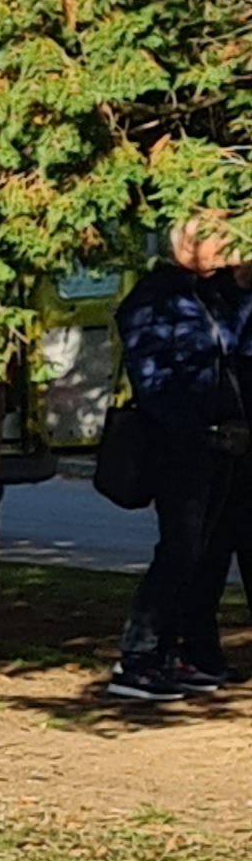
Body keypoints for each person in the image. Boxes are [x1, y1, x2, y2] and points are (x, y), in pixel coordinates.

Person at [108, 214, 245, 703]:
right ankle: (137, 657)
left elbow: (232, 349)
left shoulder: (214, 293)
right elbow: (152, 373)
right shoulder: (157, 295)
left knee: (203, 551)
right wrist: (191, 425)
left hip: (218, 441)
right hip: (179, 442)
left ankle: (173, 653)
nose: (230, 247)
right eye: (219, 239)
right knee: (179, 548)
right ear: (188, 244)